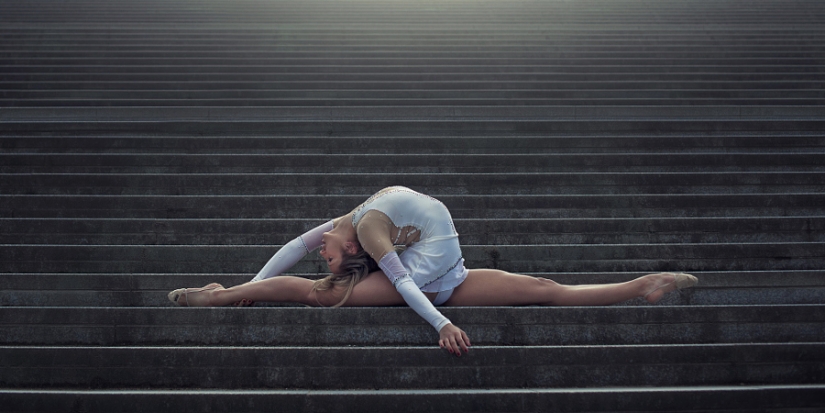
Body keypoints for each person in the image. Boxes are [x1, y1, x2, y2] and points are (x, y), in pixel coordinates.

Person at [168, 186, 698, 356]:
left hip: (447, 279)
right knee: (315, 293)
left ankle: (643, 284)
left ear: (350, 246)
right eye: (324, 256)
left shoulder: (368, 228)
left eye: (325, 253)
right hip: (427, 283)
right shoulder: (351, 225)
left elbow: (400, 279)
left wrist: (444, 320)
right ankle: (217, 296)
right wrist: (251, 287)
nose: (318, 249)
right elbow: (293, 245)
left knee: (544, 288)